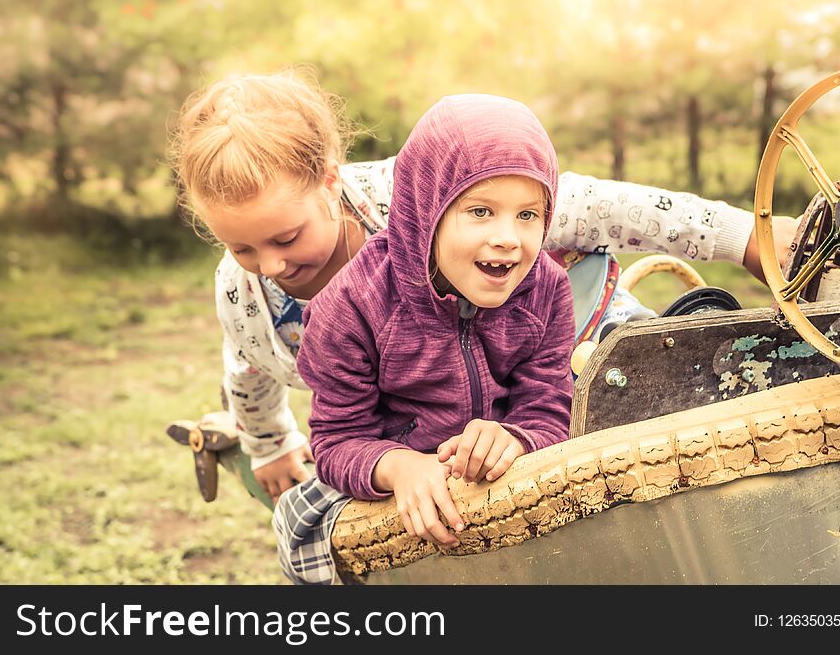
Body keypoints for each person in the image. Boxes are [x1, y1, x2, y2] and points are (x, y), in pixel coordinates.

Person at [170, 70, 796, 504]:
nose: (270, 264)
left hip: (551, 338)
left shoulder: (429, 185)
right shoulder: (245, 293)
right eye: (241, 246)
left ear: (331, 183)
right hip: (418, 430)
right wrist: (270, 443)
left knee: (636, 379)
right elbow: (247, 366)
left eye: (284, 238)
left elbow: (603, 205)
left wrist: (747, 239)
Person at [297, 93, 573, 548]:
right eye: (480, 212)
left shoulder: (546, 290)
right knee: (305, 532)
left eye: (527, 215)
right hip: (389, 490)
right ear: (427, 211)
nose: (508, 238)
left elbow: (548, 410)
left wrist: (515, 438)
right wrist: (401, 467)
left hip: (507, 485)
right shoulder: (351, 307)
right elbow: (336, 441)